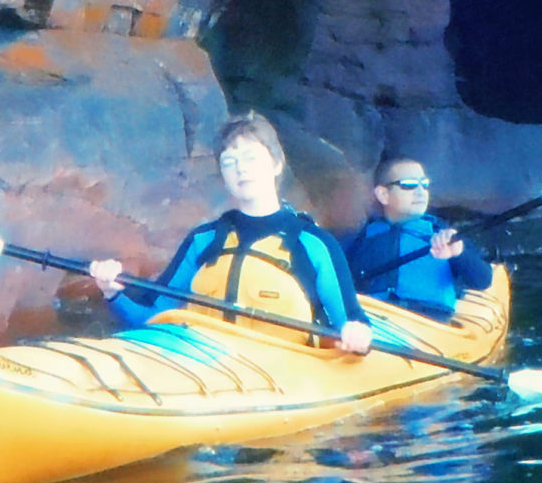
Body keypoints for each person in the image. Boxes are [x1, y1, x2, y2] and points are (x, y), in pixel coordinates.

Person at [88, 112, 373, 355]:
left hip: (284, 370)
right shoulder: (203, 240)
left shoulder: (313, 244)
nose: (241, 169)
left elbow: (351, 320)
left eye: (250, 157)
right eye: (229, 162)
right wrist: (112, 291)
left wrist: (356, 335)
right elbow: (151, 317)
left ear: (276, 164)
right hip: (203, 360)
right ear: (222, 175)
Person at [346, 153, 493, 318]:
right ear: (383, 195)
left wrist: (459, 254)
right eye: (409, 185)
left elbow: (483, 281)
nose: (421, 192)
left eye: (425, 184)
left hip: (429, 319)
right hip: (377, 315)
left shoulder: (443, 235)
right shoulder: (362, 237)